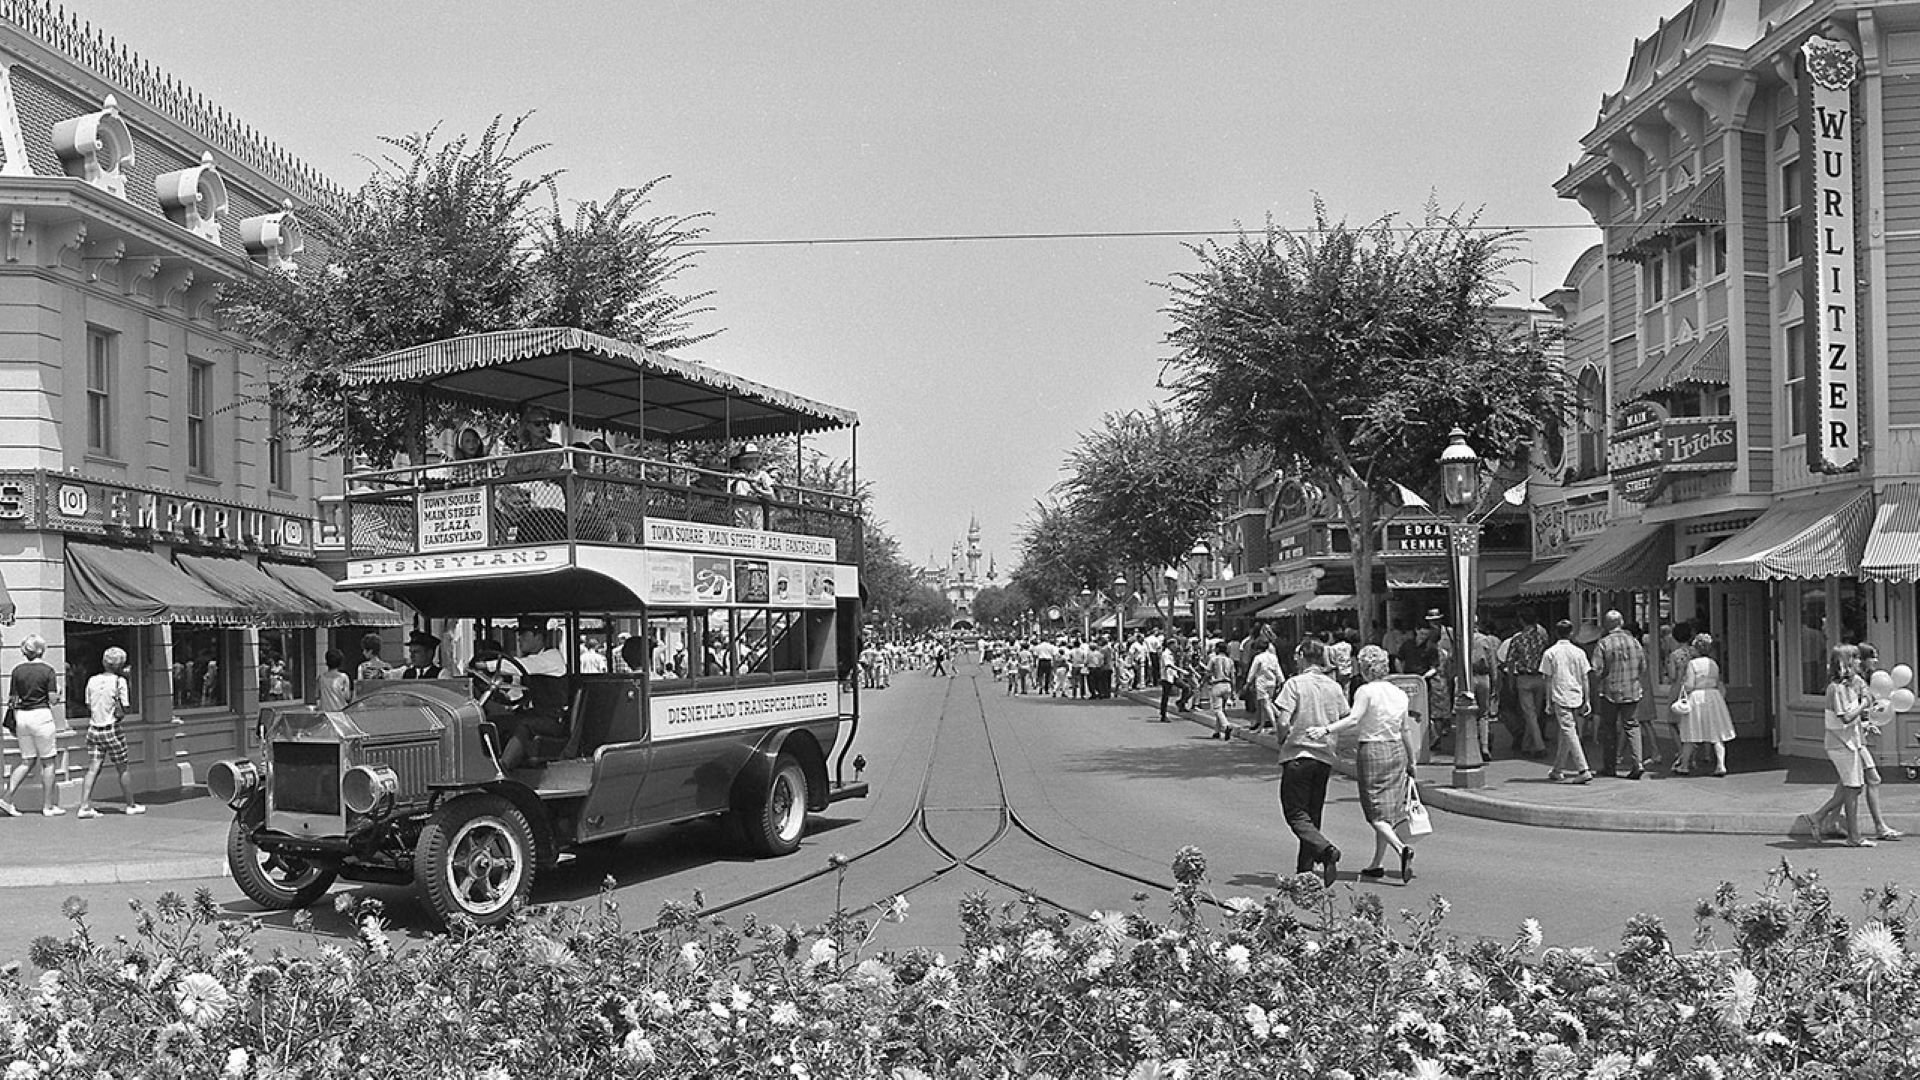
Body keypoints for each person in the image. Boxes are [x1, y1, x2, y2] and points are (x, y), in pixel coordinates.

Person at [1311, 645, 1418, 883]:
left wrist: (1326, 729)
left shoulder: (1365, 691)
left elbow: (1354, 718)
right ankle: (1376, 863)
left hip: (1372, 749)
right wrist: (1412, 760)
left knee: (1374, 812)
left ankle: (1401, 850)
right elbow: (1405, 730)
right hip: (1396, 749)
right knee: (1387, 811)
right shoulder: (1399, 693)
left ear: (1365, 668)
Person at [1274, 638, 1346, 885]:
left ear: (1303, 656)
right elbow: (1343, 717)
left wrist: (1282, 739)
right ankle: (1305, 872)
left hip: (1298, 755)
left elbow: (1283, 721)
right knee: (1312, 814)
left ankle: (1326, 850)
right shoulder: (1334, 687)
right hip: (1323, 757)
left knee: (1295, 813)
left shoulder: (1294, 684)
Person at [1800, 644, 1879, 847]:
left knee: (1853, 787)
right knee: (1853, 788)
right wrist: (1863, 704)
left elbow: (1860, 710)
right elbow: (1845, 717)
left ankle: (1818, 818)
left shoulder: (1849, 686)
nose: (1859, 661)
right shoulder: (1836, 689)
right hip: (1840, 744)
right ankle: (1853, 836)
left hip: (1850, 742)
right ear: (1846, 662)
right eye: (1855, 658)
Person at [75, 646, 143, 818]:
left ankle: (84, 805)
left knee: (93, 767)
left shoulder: (92, 680)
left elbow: (89, 704)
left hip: (94, 728)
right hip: (112, 729)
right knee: (122, 767)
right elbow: (125, 707)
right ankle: (130, 804)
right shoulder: (120, 682)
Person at [1, 635, 64, 816]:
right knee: (48, 761)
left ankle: (7, 797)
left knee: (27, 759)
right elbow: (52, 699)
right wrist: (58, 693)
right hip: (41, 715)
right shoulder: (48, 671)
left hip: (22, 716)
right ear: (41, 650)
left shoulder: (17, 671)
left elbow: (12, 699)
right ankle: (48, 805)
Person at [497, 619, 570, 770]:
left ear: (538, 637)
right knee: (496, 722)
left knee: (525, 725)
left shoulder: (552, 657)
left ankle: (503, 769)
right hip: (535, 714)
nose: (519, 639)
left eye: (524, 635)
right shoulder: (528, 665)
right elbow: (516, 693)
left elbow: (522, 666)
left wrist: (488, 665)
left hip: (554, 719)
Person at [1589, 610, 1647, 779]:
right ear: (1621, 622)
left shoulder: (1604, 643)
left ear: (1607, 625)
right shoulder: (1634, 642)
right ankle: (1638, 763)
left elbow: (1596, 669)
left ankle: (1610, 765)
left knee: (1609, 728)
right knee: (1632, 725)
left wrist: (1604, 676)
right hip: (1632, 689)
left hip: (1610, 690)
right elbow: (1643, 666)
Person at [1539, 619, 1593, 784]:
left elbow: (1548, 679)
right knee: (1566, 732)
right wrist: (1587, 699)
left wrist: (1548, 701)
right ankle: (1558, 768)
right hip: (1576, 694)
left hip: (1560, 695)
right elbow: (1585, 677)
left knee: (1569, 731)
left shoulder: (1550, 653)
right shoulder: (1579, 652)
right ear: (1571, 633)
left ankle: (1583, 768)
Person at [1674, 632, 1734, 776]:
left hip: (1697, 696)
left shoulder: (1692, 664)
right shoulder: (1713, 664)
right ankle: (1720, 764)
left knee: (1691, 732)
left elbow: (1689, 684)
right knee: (1716, 732)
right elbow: (1718, 681)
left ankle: (1684, 765)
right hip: (1713, 696)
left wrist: (1683, 688)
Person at [1504, 609, 1550, 757]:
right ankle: (1526, 744)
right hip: (1540, 677)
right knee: (1535, 713)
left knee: (1529, 714)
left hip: (1524, 678)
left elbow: (1510, 662)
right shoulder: (1543, 637)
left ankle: (1538, 745)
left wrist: (1511, 681)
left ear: (1522, 621)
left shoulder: (1517, 639)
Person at [729, 443, 777, 529]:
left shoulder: (762, 475)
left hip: (756, 507)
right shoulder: (736, 475)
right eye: (750, 460)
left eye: (755, 460)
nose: (753, 463)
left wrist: (757, 489)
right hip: (740, 507)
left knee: (757, 534)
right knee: (741, 533)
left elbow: (771, 495)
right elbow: (729, 492)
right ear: (742, 461)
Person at [1201, 640, 1238, 740]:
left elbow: (1207, 673)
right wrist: (1234, 691)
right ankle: (1216, 731)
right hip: (1228, 685)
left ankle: (1226, 726)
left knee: (1217, 709)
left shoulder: (1214, 659)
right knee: (1222, 709)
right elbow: (1233, 676)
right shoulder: (1230, 660)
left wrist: (1202, 683)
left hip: (1217, 684)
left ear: (1217, 649)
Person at [1247, 637, 1282, 733]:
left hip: (1261, 682)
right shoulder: (1273, 657)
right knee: (1266, 704)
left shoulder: (1258, 658)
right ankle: (1261, 726)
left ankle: (1275, 724)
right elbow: (1277, 670)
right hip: (1272, 682)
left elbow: (1252, 672)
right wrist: (1281, 680)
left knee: (1266, 704)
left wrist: (1248, 682)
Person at [1157, 635, 1184, 722]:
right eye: (1175, 645)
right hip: (1166, 677)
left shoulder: (1172, 654)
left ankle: (1180, 703)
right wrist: (1181, 670)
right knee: (1165, 696)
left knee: (1187, 688)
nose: (1176, 647)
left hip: (1173, 676)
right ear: (1171, 645)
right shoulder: (1165, 654)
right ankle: (1163, 715)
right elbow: (1169, 665)